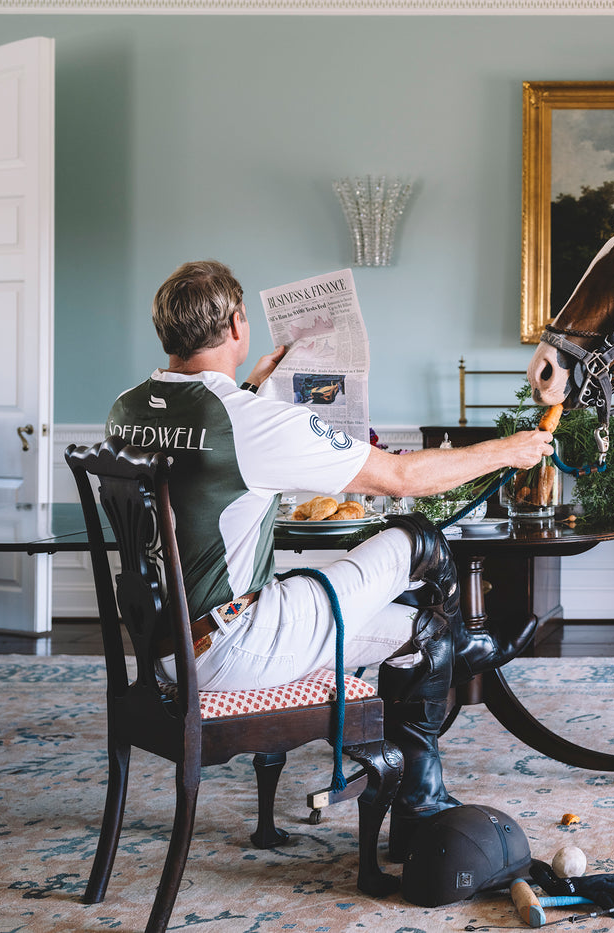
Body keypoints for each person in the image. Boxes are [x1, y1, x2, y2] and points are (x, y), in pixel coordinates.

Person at [105, 259, 553, 859]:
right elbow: (399, 476)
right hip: (238, 647)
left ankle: (426, 770)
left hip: (165, 654)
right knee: (411, 538)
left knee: (417, 635)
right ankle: (470, 642)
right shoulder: (251, 424)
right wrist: (511, 450)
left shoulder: (126, 410)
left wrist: (250, 389)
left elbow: (200, 447)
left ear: (166, 331)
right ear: (238, 324)